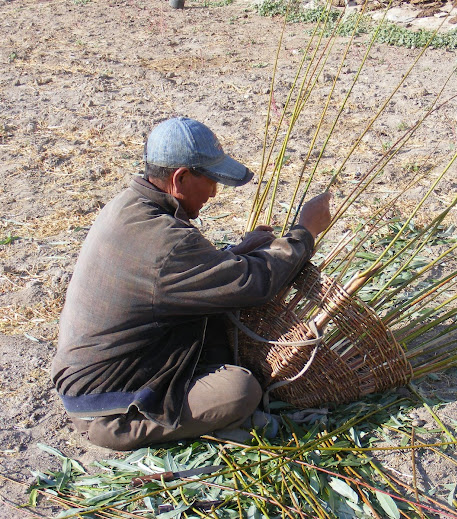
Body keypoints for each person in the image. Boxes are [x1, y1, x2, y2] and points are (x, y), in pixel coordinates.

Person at [51, 117, 331, 450]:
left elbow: (174, 276)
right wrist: (306, 232)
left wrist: (235, 252)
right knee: (239, 390)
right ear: (180, 178)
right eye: (211, 180)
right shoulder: (166, 242)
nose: (214, 192)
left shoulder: (129, 206)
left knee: (216, 325)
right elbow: (255, 283)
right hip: (108, 410)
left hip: (94, 379)